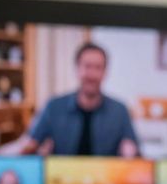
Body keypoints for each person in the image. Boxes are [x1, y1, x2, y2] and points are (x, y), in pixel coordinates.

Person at [12, 42, 140, 158]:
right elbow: (30, 143)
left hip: (107, 181)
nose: (92, 74)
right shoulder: (54, 106)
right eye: (87, 66)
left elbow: (132, 148)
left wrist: (130, 152)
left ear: (105, 72)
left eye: (98, 67)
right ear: (77, 69)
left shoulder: (120, 110)